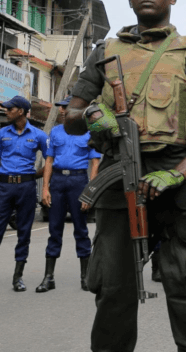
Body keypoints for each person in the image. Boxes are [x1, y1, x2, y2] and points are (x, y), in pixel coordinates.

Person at [64, 0, 186, 351]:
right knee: (114, 291)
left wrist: (179, 173)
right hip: (118, 174)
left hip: (179, 181)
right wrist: (92, 114)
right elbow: (69, 116)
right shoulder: (106, 52)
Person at [36, 96, 101, 293]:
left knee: (81, 230)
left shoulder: (88, 133)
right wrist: (45, 188)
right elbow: (48, 161)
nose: (62, 111)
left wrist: (90, 192)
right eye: (61, 108)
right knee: (54, 229)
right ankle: (49, 278)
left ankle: (85, 277)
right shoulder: (55, 132)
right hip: (57, 182)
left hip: (78, 182)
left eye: (65, 107)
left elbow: (95, 164)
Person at [0, 96, 48, 292]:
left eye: (10, 109)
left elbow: (50, 161)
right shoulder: (2, 133)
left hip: (26, 188)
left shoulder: (38, 135)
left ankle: (17, 277)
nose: (6, 111)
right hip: (3, 187)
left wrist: (34, 176)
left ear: (20, 111)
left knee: (24, 232)